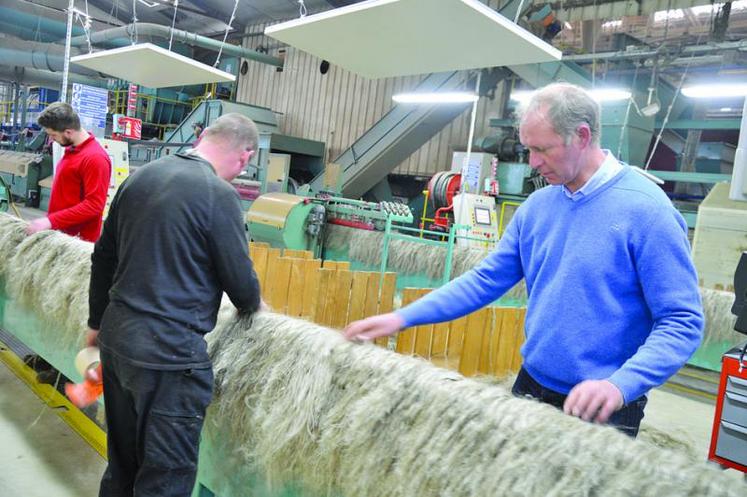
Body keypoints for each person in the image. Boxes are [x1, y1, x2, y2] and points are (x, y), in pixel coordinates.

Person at [344, 83, 704, 438]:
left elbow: (681, 321)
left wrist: (621, 385)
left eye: (542, 149)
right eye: (528, 149)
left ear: (581, 136)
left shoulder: (648, 212)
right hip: (532, 386)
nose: (532, 163)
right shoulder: (538, 208)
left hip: (604, 408)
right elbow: (485, 280)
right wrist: (402, 318)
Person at [87, 113, 262, 496]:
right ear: (245, 156)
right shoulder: (219, 195)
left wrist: (95, 322)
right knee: (165, 478)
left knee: (122, 465)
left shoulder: (141, 176)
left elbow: (102, 257)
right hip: (168, 357)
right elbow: (244, 292)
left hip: (117, 341)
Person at [27, 102, 111, 241]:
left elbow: (94, 205)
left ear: (68, 132)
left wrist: (50, 221)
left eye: (53, 135)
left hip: (77, 244)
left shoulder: (95, 158)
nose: (51, 139)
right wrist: (51, 222)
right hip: (60, 235)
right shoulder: (72, 150)